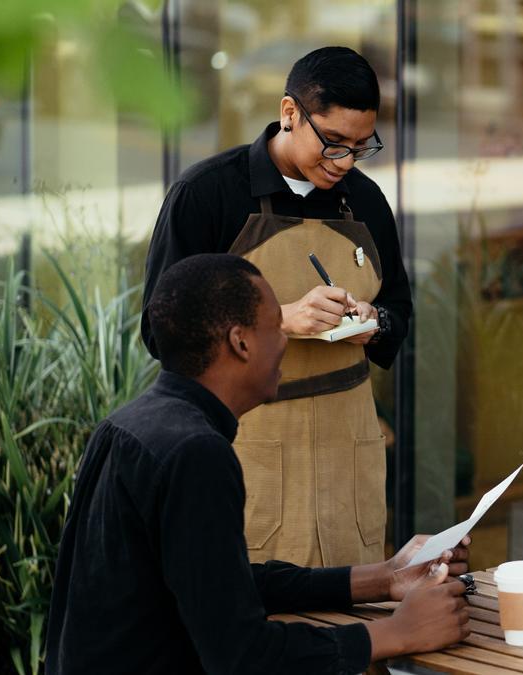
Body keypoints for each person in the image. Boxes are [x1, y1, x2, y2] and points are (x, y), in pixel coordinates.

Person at [46, 255, 468, 674]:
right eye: (274, 326)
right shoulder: (195, 452)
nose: (284, 340)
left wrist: (385, 577)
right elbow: (242, 656)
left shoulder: (128, 425)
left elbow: (224, 585)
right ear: (240, 342)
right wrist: (399, 633)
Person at [141, 46, 412, 567]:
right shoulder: (207, 195)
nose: (345, 162)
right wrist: (279, 319)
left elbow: (399, 310)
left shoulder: (368, 202)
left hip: (347, 466)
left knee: (357, 631)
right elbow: (161, 330)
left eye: (362, 146)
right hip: (248, 455)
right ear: (290, 113)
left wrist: (373, 323)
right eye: (333, 143)